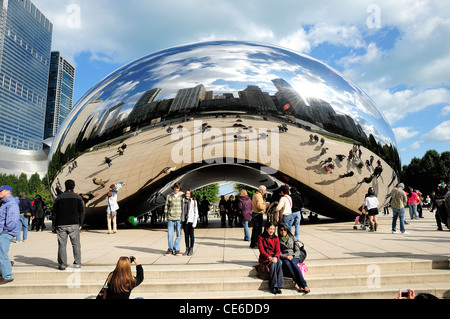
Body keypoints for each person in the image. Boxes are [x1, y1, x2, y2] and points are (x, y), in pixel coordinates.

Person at [52, 180, 85, 270]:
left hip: (61, 224)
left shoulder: (59, 198)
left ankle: (62, 264)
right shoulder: (78, 197)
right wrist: (81, 223)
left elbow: (54, 212)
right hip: (74, 223)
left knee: (62, 245)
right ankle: (77, 262)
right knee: (76, 244)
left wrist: (54, 225)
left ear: (65, 186)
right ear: (73, 186)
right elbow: (82, 211)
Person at [278, 224, 310, 294]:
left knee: (293, 262)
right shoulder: (278, 240)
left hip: (294, 256)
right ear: (279, 231)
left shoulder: (292, 237)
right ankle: (300, 284)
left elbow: (297, 250)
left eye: (284, 230)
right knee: (287, 263)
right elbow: (279, 252)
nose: (283, 231)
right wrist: (285, 256)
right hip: (285, 257)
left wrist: (292, 256)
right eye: (281, 230)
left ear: (287, 230)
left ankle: (304, 284)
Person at [0, 185, 20, 284]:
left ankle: (7, 275)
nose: (0, 192)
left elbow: (12, 221)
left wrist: (5, 230)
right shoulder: (6, 203)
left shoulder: (11, 203)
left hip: (6, 232)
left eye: (1, 191)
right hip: (4, 232)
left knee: (2, 254)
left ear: (8, 191)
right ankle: (5, 267)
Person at [258, 221, 284, 294]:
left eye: (273, 229)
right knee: (273, 265)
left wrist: (276, 257)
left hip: (274, 257)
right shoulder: (261, 237)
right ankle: (273, 286)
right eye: (270, 229)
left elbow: (278, 250)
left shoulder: (276, 238)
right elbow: (262, 251)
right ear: (266, 229)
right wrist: (269, 257)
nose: (272, 231)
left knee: (279, 262)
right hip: (265, 258)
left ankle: (279, 286)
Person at [164, 182, 184, 256]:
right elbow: (166, 206)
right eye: (175, 187)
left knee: (179, 234)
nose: (176, 189)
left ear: (179, 188)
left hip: (179, 218)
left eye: (178, 188)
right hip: (171, 218)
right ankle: (170, 249)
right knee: (170, 234)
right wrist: (166, 215)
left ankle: (177, 248)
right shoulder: (169, 196)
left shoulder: (182, 195)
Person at [181, 189, 198, 256]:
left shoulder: (194, 202)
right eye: (186, 193)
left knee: (191, 235)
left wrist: (194, 222)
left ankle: (191, 248)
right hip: (184, 220)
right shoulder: (182, 201)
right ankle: (187, 249)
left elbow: (196, 213)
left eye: (188, 193)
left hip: (191, 220)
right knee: (186, 236)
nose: (187, 195)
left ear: (190, 194)